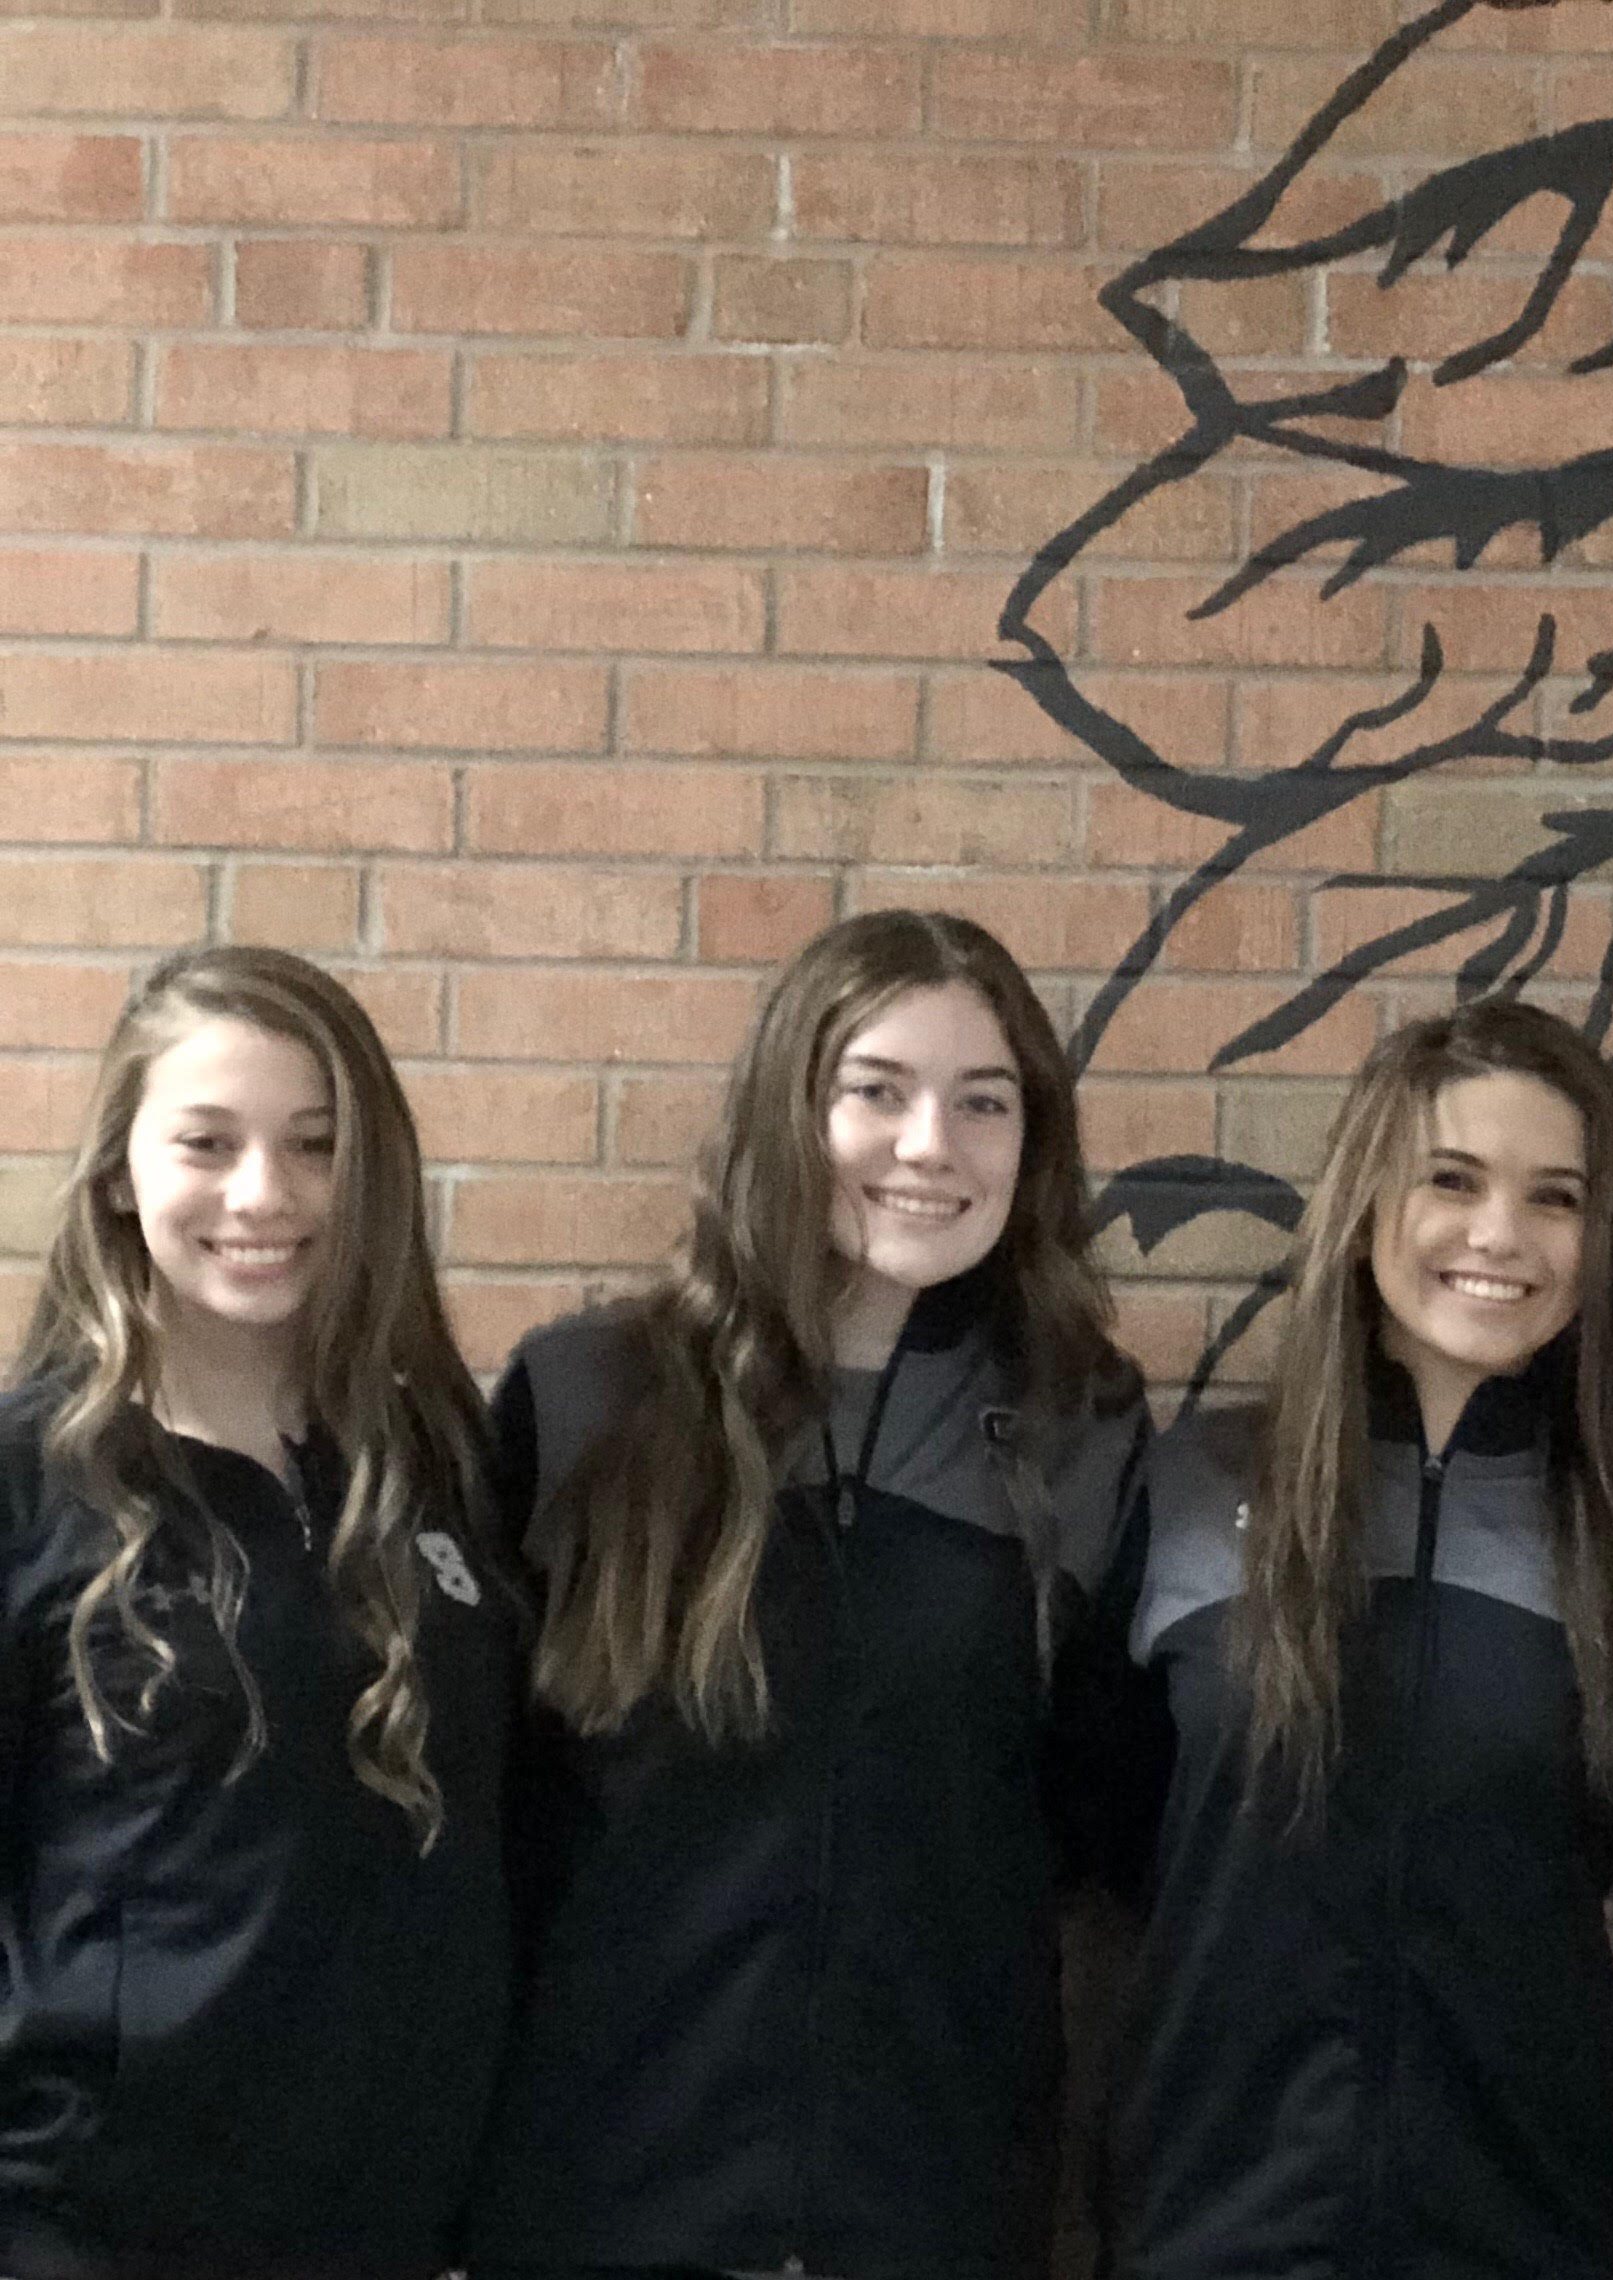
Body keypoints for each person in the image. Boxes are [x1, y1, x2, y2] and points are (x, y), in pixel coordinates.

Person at [464, 910, 1150, 2280]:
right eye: (877, 1092)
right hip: (602, 2191)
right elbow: (494, 1811)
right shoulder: (589, 1394)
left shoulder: (1086, 1430)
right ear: (793, 1105)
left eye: (983, 1103)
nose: (929, 1148)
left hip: (932, 2202)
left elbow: (1082, 1823)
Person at [1118, 999, 1613, 2278]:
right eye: (1453, 1180)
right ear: (1365, 1199)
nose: (1501, 1235)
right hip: (1216, 2228)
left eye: (1557, 1198)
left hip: (1530, 2231)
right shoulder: (1183, 1488)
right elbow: (1105, 1826)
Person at [0, 946, 519, 2280]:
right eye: (207, 1142)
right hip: (97, 2224)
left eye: (312, 1145)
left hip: (393, 2226)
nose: (263, 1194)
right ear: (121, 1169)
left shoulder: (436, 1459)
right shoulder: (33, 1479)